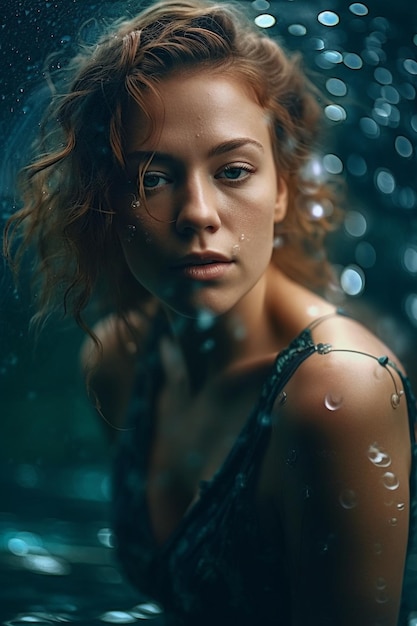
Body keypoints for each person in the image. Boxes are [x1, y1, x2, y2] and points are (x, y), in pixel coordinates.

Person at [3, 1, 417, 624]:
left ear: (280, 188)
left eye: (233, 170)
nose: (198, 212)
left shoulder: (339, 393)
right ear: (103, 203)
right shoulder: (118, 361)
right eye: (152, 178)